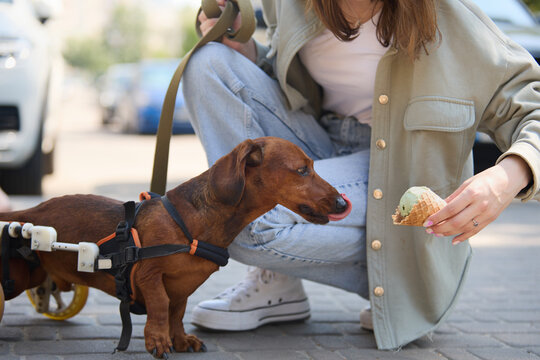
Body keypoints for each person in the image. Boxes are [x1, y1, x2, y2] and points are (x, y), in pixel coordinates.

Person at [182, 0, 539, 350]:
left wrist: (508, 177)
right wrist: (247, 51)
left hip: (399, 168)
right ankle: (278, 280)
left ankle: (398, 281)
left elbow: (530, 105)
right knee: (210, 63)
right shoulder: (287, 4)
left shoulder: (453, 17)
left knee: (241, 222)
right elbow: (285, 84)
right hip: (319, 146)